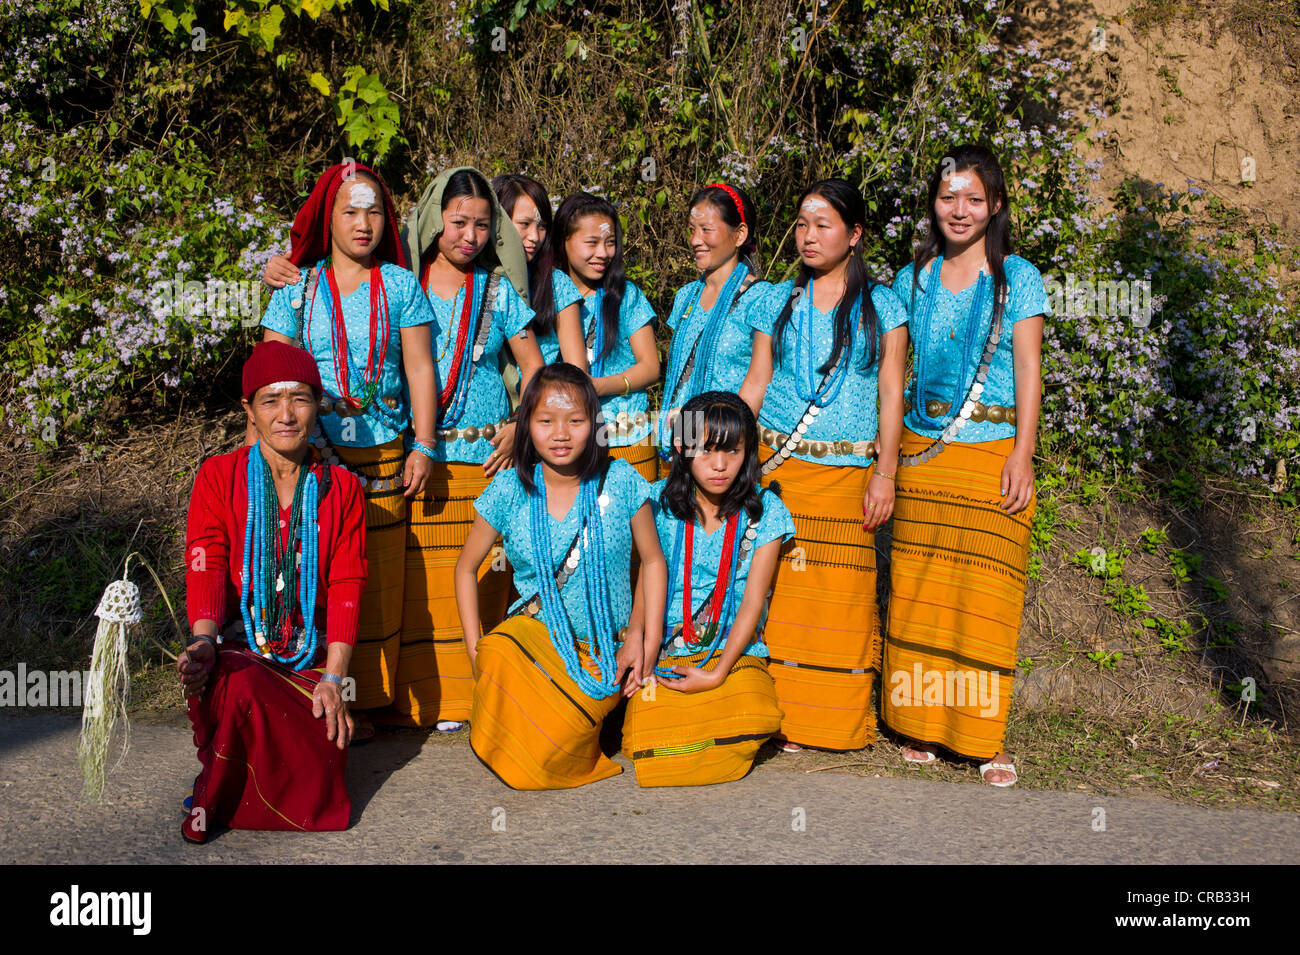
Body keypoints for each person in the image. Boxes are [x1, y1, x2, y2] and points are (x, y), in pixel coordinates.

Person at [883, 145, 1047, 787]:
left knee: (986, 595)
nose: (960, 210)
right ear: (933, 204)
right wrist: (890, 456)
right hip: (924, 455)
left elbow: (1030, 368)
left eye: (974, 199)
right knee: (921, 589)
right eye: (948, 197)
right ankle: (917, 723)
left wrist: (1023, 453)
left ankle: (983, 737)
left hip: (991, 454)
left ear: (996, 205)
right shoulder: (912, 278)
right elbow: (895, 372)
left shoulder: (1018, 278)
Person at [258, 163, 436, 740]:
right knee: (314, 572)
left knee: (374, 580)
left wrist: (425, 444)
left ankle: (374, 699)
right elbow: (270, 370)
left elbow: (418, 368)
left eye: (375, 212)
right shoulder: (298, 287)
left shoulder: (402, 286)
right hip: (311, 457)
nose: (364, 224)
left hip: (384, 451)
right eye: (350, 212)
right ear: (327, 219)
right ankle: (313, 692)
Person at [740, 179, 908, 752]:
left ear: (855, 234)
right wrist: (737, 454)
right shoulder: (775, 300)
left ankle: (833, 723)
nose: (808, 238)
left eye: (823, 226)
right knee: (778, 594)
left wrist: (885, 472)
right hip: (779, 471)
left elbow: (891, 392)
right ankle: (775, 715)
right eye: (802, 226)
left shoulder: (883, 305)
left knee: (841, 599)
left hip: (846, 479)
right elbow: (758, 380)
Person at [178, 340, 366, 843]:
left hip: (310, 657)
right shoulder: (219, 477)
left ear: (317, 406)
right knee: (238, 686)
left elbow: (348, 582)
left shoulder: (343, 488)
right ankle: (216, 797)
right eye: (270, 400)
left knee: (320, 798)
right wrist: (203, 641)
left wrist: (335, 677)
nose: (286, 414)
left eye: (300, 399)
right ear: (250, 411)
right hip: (239, 649)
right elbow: (207, 562)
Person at [456, 363, 667, 790]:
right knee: (502, 656)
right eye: (545, 421)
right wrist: (476, 650)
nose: (561, 434)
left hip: (607, 650)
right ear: (526, 426)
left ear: (595, 423)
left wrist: (641, 641)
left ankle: (571, 730)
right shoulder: (510, 489)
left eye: (576, 420)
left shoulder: (621, 480)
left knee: (557, 735)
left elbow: (652, 562)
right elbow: (464, 568)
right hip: (535, 646)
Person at [394, 166, 546, 729]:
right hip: (422, 459)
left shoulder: (498, 291)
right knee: (425, 583)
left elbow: (533, 369)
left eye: (484, 225)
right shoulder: (402, 286)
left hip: (487, 460)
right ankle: (422, 701)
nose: (470, 236)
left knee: (483, 578)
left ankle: (478, 694)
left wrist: (519, 426)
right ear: (436, 220)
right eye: (459, 221)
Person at [623, 391, 792, 787]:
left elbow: (752, 603)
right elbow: (648, 584)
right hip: (668, 648)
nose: (720, 466)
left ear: (748, 452)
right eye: (707, 451)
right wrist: (640, 644)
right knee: (647, 733)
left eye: (733, 452)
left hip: (732, 650)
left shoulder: (765, 512)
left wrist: (716, 674)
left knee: (750, 711)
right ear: (682, 448)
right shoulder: (659, 507)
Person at [657, 183, 773, 459]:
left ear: (740, 234)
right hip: (675, 442)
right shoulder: (686, 296)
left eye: (706, 230)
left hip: (724, 447)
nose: (696, 239)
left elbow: (760, 380)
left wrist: (723, 441)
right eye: (692, 230)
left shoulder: (761, 299)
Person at [551, 193, 661, 481]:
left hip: (628, 444)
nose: (603, 253)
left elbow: (650, 367)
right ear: (564, 241)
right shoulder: (545, 296)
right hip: (564, 446)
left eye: (610, 243)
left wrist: (598, 387)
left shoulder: (626, 296)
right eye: (592, 243)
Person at [491, 173, 584, 365]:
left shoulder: (556, 284)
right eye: (524, 224)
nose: (534, 236)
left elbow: (577, 370)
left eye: (541, 226)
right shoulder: (478, 278)